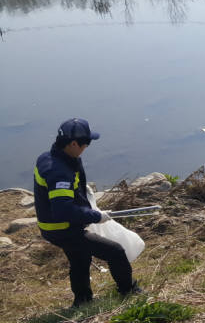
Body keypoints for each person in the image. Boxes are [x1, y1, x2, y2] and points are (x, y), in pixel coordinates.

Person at [33, 118, 140, 307]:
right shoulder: (59, 172)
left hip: (53, 226)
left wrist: (86, 198)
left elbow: (67, 194)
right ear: (73, 144)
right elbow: (62, 210)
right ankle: (128, 291)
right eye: (86, 144)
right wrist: (95, 216)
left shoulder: (50, 157)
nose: (86, 148)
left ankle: (82, 300)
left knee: (80, 258)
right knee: (115, 251)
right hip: (62, 228)